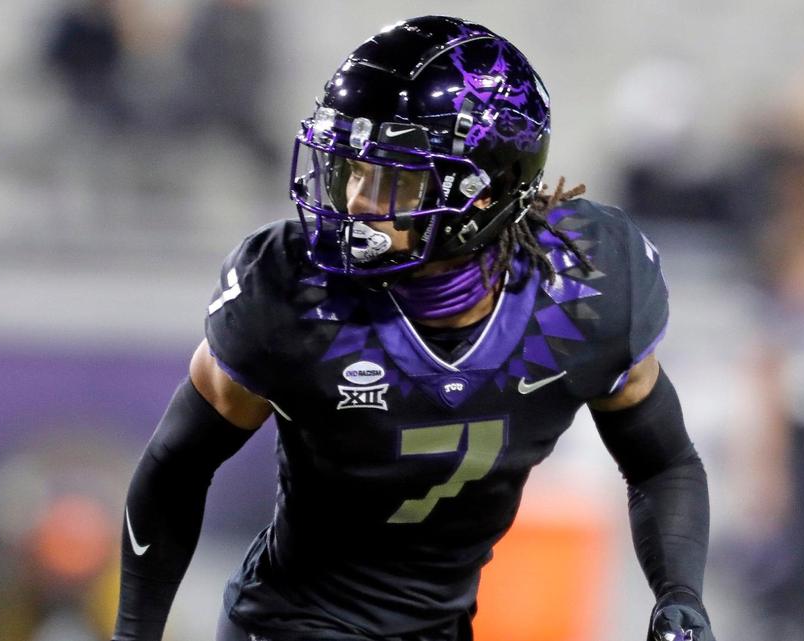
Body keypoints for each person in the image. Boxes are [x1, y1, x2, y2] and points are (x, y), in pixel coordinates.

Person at [113, 16, 714, 641]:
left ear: (483, 190)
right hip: (293, 625)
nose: (357, 202)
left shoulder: (586, 286)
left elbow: (663, 461)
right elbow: (175, 466)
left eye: (393, 176)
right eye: (351, 168)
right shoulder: (293, 292)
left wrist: (680, 597)